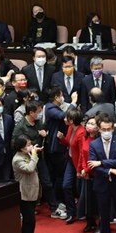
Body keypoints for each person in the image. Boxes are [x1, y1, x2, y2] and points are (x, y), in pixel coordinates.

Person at [13, 101, 66, 219]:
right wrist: (29, 148)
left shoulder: (38, 123)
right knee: (26, 185)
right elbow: (14, 144)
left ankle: (54, 208)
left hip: (38, 156)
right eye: (38, 112)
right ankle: (24, 210)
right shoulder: (20, 126)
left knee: (47, 182)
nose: (40, 114)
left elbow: (42, 135)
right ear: (31, 112)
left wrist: (44, 135)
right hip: (25, 158)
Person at [44, 87, 75, 219]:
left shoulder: (53, 107)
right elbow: (64, 116)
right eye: (61, 95)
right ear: (56, 97)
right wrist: (73, 102)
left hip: (59, 145)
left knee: (59, 175)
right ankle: (58, 201)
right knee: (58, 175)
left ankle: (60, 200)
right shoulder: (50, 108)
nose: (63, 98)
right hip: (54, 147)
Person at [11, 135, 43, 233]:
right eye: (28, 145)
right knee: (29, 221)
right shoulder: (17, 159)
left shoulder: (25, 154)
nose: (30, 146)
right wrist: (34, 155)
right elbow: (30, 168)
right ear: (21, 148)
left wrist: (33, 152)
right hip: (24, 194)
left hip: (32, 191)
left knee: (30, 222)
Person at [75, 115, 100, 233]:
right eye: (88, 123)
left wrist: (86, 170)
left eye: (92, 123)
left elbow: (95, 158)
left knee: (99, 200)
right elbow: (81, 154)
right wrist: (80, 169)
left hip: (97, 173)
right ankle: (90, 223)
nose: (89, 125)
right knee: (87, 199)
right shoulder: (83, 137)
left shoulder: (99, 141)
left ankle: (101, 225)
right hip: (86, 173)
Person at [59, 107, 84, 225]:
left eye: (66, 118)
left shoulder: (81, 132)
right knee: (66, 186)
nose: (64, 119)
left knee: (80, 190)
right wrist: (62, 138)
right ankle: (71, 212)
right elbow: (68, 143)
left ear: (72, 120)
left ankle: (82, 212)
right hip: (70, 160)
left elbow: (82, 154)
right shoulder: (70, 128)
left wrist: (79, 169)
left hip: (78, 163)